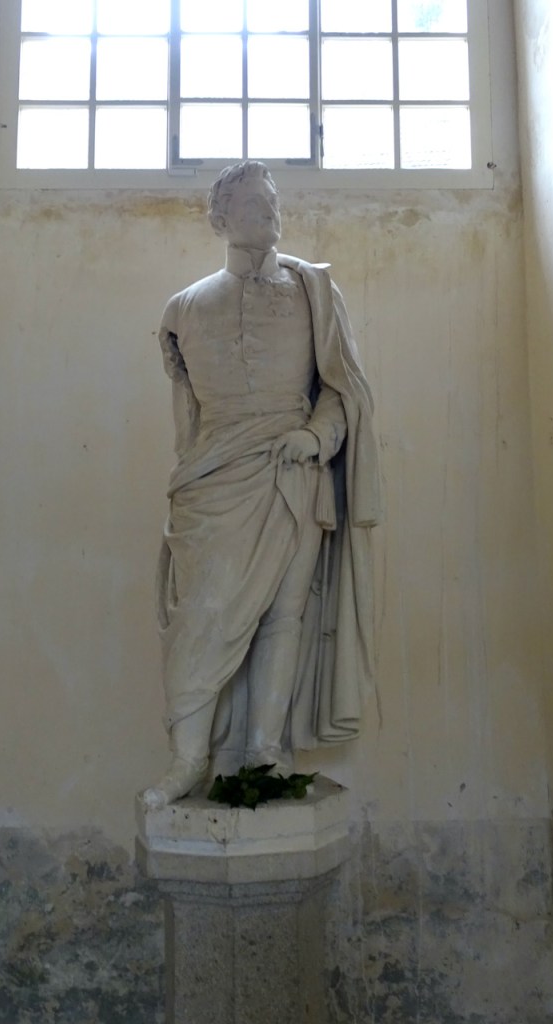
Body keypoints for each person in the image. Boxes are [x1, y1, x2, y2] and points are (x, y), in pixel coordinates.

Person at [142, 161, 381, 809]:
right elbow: (188, 420)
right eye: (251, 203)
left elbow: (341, 390)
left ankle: (265, 754)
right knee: (200, 614)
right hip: (211, 480)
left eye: (272, 201)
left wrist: (317, 438)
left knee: (283, 616)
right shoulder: (182, 308)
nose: (268, 212)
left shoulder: (314, 291)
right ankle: (188, 758)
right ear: (220, 218)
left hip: (292, 470)